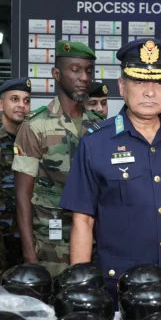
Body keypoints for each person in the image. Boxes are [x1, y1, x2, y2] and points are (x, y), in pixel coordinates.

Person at [60, 39, 161, 305]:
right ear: (122, 86)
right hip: (120, 287)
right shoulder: (95, 143)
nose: (149, 92)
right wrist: (81, 288)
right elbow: (83, 221)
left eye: (159, 82)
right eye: (139, 82)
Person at [13, 40, 102, 276]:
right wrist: (29, 255)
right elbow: (22, 195)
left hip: (93, 244)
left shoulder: (98, 126)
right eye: (75, 70)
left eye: (89, 71)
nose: (84, 78)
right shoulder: (35, 126)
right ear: (56, 74)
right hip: (49, 247)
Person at [0, 77, 31, 268]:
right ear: (0, 104)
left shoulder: (33, 141)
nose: (21, 105)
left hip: (27, 236)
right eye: (14, 99)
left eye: (26, 101)